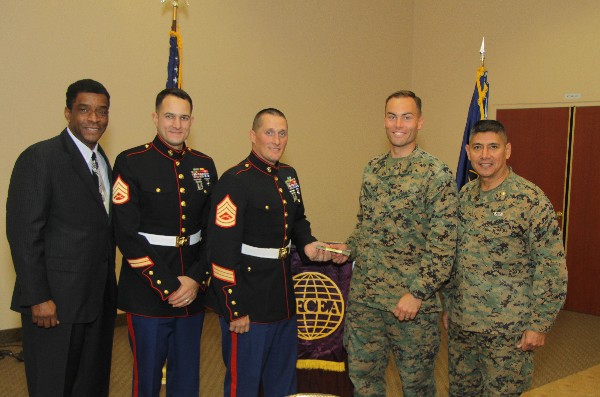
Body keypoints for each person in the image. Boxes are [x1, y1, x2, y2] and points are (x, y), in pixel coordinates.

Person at [331, 90, 458, 396]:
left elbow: (444, 246)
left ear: (420, 122)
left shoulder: (436, 174)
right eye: (391, 116)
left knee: (416, 386)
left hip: (411, 306)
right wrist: (348, 249)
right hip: (367, 302)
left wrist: (417, 293)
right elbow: (365, 227)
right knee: (363, 381)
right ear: (384, 121)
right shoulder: (372, 169)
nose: (398, 123)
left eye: (406, 116)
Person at [206, 108, 332, 397]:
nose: (277, 140)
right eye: (269, 132)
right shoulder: (235, 180)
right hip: (248, 301)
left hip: (282, 299)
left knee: (283, 383)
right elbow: (221, 250)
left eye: (283, 133)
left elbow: (298, 220)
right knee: (244, 386)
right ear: (253, 136)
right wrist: (234, 308)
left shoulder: (288, 175)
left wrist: (310, 244)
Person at [6, 79, 117, 396]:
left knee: (90, 385)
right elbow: (24, 234)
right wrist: (38, 297)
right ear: (68, 112)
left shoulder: (103, 162)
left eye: (101, 111)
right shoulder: (41, 157)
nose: (94, 118)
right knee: (53, 386)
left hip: (96, 300)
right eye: (84, 110)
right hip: (54, 306)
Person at [442, 119, 568, 396]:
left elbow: (551, 268)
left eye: (493, 147)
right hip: (464, 326)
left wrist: (539, 324)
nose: (485, 155)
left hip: (508, 332)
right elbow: (455, 257)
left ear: (507, 150)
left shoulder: (529, 200)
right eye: (478, 147)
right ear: (468, 151)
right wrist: (450, 305)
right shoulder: (464, 197)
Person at [112, 88, 218, 396]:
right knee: (146, 379)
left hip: (192, 289)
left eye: (184, 117)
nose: (177, 124)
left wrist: (196, 279)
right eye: (169, 116)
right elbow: (126, 234)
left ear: (191, 121)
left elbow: (213, 232)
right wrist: (168, 285)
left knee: (186, 379)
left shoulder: (204, 164)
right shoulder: (132, 161)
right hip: (147, 292)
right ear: (156, 118)